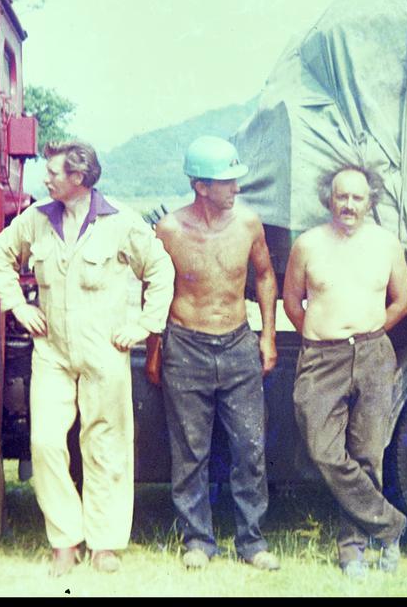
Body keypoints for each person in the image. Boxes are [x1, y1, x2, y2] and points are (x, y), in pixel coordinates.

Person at [0, 139, 174, 576]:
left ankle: (105, 543)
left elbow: (160, 270)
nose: (45, 178)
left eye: (54, 172)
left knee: (105, 445)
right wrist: (17, 305)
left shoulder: (119, 221)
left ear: (80, 178)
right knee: (47, 443)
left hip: (104, 351)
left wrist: (145, 325)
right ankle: (64, 540)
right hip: (51, 352)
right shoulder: (35, 219)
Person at [146, 135, 281, 572]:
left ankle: (252, 541)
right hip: (186, 346)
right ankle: (197, 540)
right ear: (201, 186)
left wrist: (268, 336)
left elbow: (264, 276)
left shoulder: (248, 224)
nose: (236, 188)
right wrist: (155, 349)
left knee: (249, 446)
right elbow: (155, 289)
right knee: (190, 450)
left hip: (238, 342)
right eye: (227, 182)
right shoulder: (168, 230)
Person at [282, 165, 407, 578]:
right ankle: (390, 525)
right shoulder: (308, 244)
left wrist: (369, 336)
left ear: (370, 200)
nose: (349, 205)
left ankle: (353, 547)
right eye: (342, 197)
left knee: (368, 452)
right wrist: (324, 339)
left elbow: (402, 301)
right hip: (321, 357)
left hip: (373, 353)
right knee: (322, 449)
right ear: (329, 199)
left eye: (358, 198)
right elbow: (291, 302)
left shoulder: (386, 244)